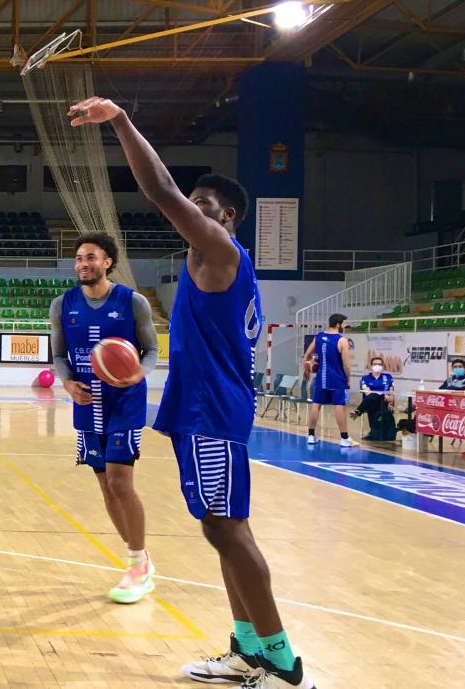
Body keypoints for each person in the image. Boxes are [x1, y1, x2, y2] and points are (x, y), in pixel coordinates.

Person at [70, 96, 314, 689]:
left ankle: (282, 664)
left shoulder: (222, 251)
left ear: (226, 218)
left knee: (229, 529)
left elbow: (160, 193)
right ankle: (248, 649)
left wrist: (123, 121)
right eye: (195, 205)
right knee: (218, 528)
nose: (191, 211)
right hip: (200, 407)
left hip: (213, 409)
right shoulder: (215, 262)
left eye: (204, 206)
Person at [50, 232, 160, 604]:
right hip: (86, 402)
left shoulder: (134, 302)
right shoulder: (62, 304)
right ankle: (140, 560)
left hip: (125, 401)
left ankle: (136, 565)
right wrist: (67, 384)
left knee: (120, 480)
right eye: (79, 258)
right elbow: (60, 356)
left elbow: (152, 349)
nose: (83, 264)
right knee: (105, 487)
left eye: (91, 258)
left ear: (108, 262)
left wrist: (138, 373)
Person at [302, 314, 355, 447]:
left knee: (316, 405)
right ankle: (344, 438)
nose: (345, 326)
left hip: (321, 377)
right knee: (339, 405)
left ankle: (311, 435)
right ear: (338, 324)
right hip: (337, 377)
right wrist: (348, 378)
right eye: (344, 324)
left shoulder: (318, 336)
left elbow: (307, 355)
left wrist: (306, 369)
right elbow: (346, 365)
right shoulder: (342, 340)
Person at [439, 360, 465, 456]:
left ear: (464, 368)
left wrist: (451, 388)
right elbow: (440, 389)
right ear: (452, 369)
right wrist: (451, 387)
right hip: (449, 409)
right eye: (455, 367)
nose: (457, 368)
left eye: (460, 366)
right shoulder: (450, 379)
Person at [355, 358, 396, 442]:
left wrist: (391, 402)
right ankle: (374, 432)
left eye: (380, 364)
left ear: (382, 366)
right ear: (371, 366)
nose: (377, 366)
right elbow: (368, 394)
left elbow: (391, 396)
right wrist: (383, 396)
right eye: (375, 364)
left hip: (384, 404)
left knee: (390, 437)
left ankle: (358, 411)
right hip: (371, 404)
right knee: (372, 397)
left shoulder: (388, 377)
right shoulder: (365, 378)